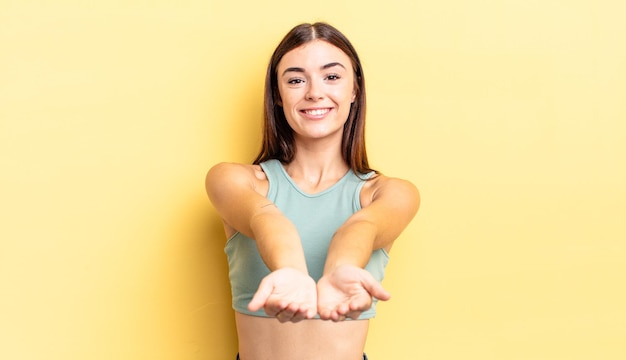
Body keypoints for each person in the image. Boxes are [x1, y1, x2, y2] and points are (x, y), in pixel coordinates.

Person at [205, 22, 420, 360]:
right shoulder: (233, 180)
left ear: (355, 90)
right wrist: (289, 269)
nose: (314, 92)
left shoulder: (391, 193)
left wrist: (340, 269)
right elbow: (265, 218)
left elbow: (361, 228)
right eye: (295, 80)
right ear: (278, 95)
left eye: (331, 77)